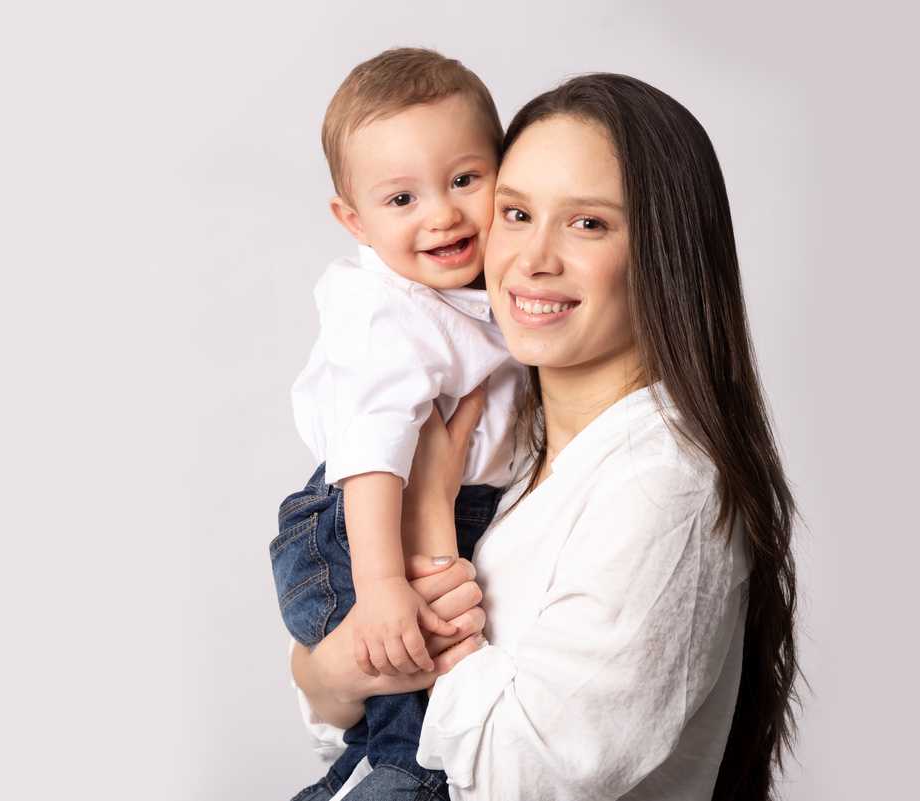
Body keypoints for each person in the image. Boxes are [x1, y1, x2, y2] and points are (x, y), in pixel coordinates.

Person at [291, 73, 800, 801]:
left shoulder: (662, 483)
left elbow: (519, 778)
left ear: (666, 254)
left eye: (587, 223)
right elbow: (342, 718)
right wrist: (331, 672)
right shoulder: (506, 444)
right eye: (516, 212)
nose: (533, 257)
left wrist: (430, 523)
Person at [271, 48, 523, 799]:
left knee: (392, 750)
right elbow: (373, 451)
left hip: (418, 514)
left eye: (464, 180)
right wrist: (382, 584)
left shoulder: (467, 295)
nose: (441, 213)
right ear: (354, 221)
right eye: (402, 199)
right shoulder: (383, 310)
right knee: (420, 758)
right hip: (358, 527)